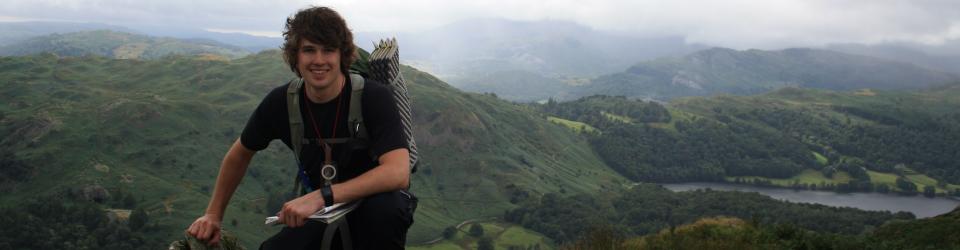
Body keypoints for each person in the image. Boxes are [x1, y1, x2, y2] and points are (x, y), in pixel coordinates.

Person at [186, 6, 416, 250]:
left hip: (372, 207)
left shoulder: (372, 97)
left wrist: (322, 196)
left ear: (342, 55)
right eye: (309, 50)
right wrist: (213, 214)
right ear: (295, 56)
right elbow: (239, 154)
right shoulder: (282, 102)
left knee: (386, 210)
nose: (319, 60)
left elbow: (398, 172)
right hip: (323, 213)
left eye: (328, 50)